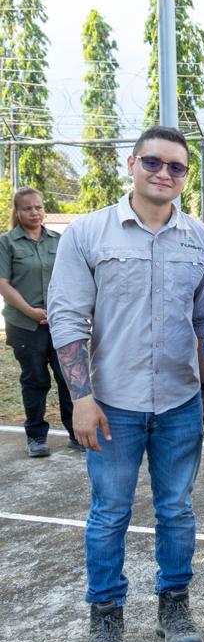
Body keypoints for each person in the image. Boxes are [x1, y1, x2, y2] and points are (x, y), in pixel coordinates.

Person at [47, 126, 204, 642]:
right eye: (153, 162)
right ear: (131, 163)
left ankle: (174, 607)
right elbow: (68, 320)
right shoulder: (88, 234)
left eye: (176, 167)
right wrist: (81, 399)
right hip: (111, 405)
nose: (164, 173)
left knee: (177, 510)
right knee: (109, 513)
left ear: (185, 176)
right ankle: (105, 616)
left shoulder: (200, 240)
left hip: (179, 402)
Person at [0, 187, 79, 457]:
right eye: (27, 208)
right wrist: (31, 311)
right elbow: (3, 284)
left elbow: (72, 276)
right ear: (17, 211)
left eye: (38, 207)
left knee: (68, 378)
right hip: (25, 325)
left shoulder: (58, 240)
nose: (34, 213)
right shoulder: (7, 243)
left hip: (60, 323)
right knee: (35, 380)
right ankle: (36, 437)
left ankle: (76, 433)